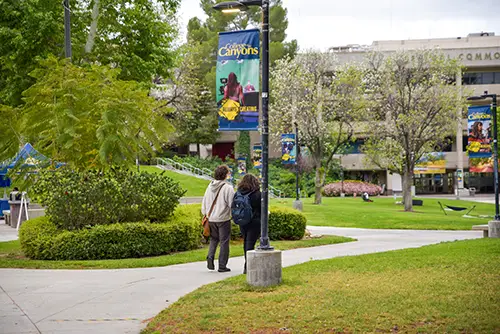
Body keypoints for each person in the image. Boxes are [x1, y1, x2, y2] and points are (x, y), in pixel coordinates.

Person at [201, 165, 235, 272]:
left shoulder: (209, 186)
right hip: (223, 219)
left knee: (214, 239)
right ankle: (222, 265)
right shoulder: (227, 188)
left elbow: (204, 202)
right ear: (225, 175)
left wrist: (206, 213)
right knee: (224, 241)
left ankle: (210, 257)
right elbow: (231, 204)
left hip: (211, 219)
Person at [234, 174, 261, 274]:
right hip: (255, 222)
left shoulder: (239, 193)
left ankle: (247, 264)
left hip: (243, 220)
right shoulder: (257, 194)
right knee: (250, 243)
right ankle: (248, 266)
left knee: (246, 242)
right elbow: (262, 208)